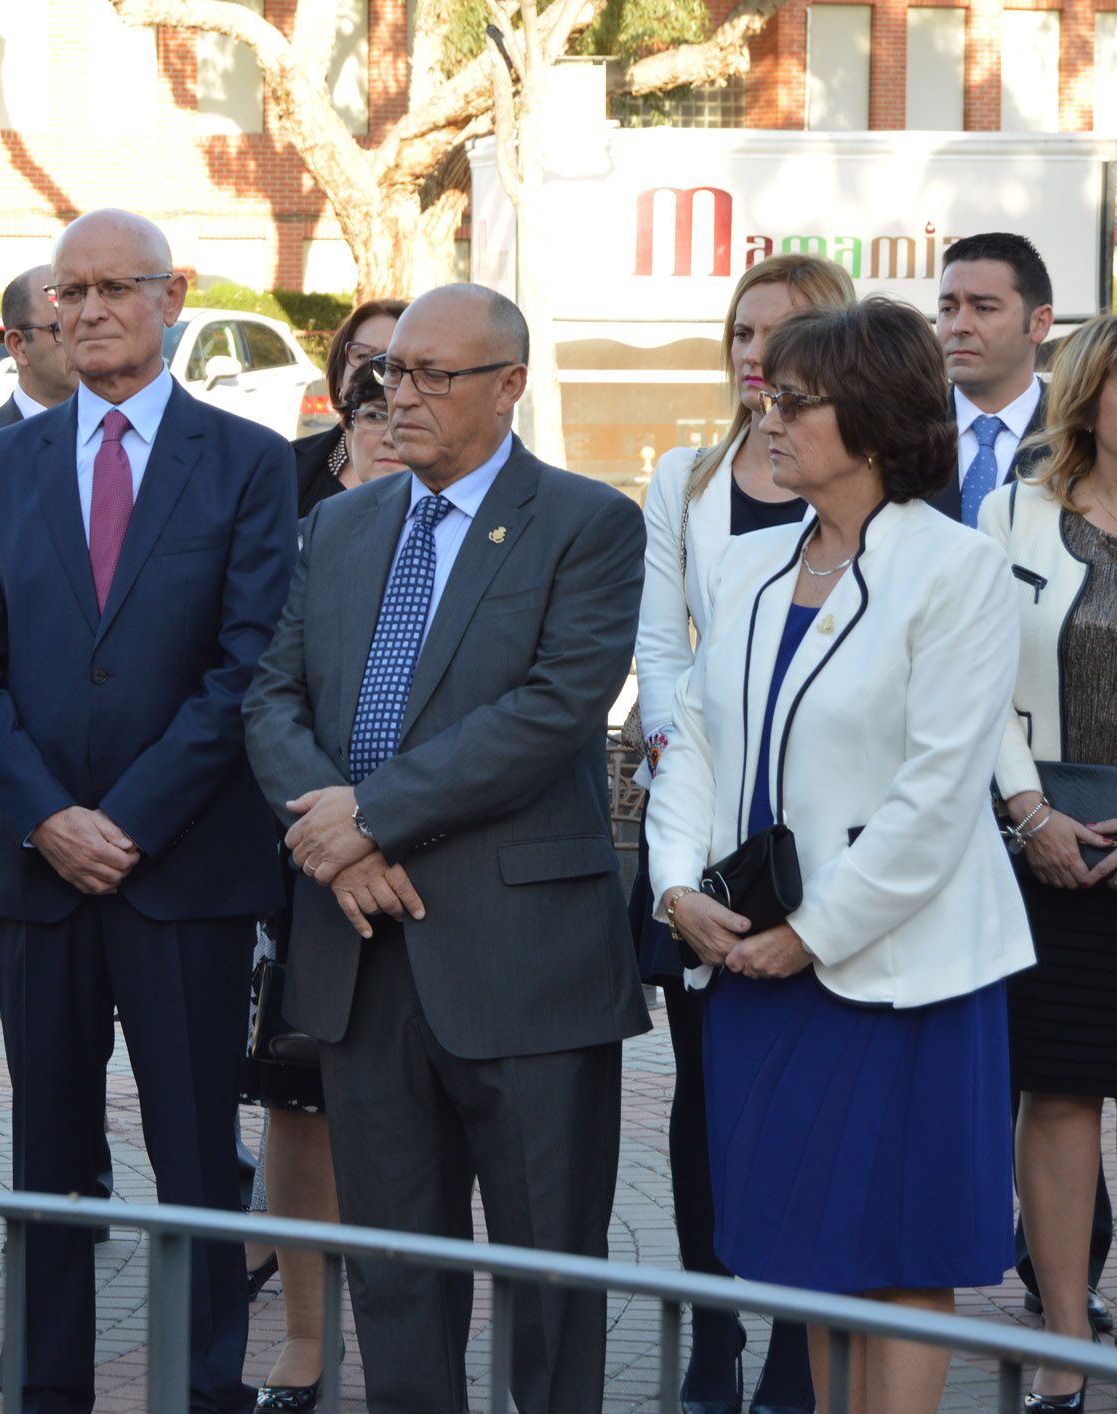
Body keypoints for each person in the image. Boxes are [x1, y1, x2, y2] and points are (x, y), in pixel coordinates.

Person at [244, 283, 646, 1414]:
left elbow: (552, 708)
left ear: (508, 383)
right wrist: (337, 837)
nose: (396, 396)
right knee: (394, 1277)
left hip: (524, 967)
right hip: (361, 960)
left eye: (430, 375)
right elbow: (270, 700)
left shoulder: (589, 523)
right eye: (386, 374)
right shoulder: (336, 523)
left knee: (548, 1276)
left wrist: (366, 817)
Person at [647, 298, 1032, 1414]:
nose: (764, 415)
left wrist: (806, 935)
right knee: (806, 1257)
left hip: (896, 976)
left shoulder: (955, 570)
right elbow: (694, 743)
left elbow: (937, 795)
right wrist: (674, 884)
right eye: (764, 393)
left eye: (794, 399)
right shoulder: (746, 567)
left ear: (868, 421)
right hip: (756, 971)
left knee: (899, 1255)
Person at [0, 208, 297, 1412]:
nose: (87, 310)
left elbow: (248, 666)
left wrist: (128, 820)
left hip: (186, 873)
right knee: (45, 1162)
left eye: (112, 288)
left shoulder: (247, 460)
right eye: (69, 292)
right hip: (36, 874)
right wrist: (50, 817)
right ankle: (43, 1392)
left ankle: (205, 1388)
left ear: (170, 294)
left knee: (197, 1155)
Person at [632, 252, 854, 1414]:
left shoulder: (868, 484)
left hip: (823, 847)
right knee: (703, 1098)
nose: (753, 357)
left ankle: (791, 1349)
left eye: (780, 335)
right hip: (704, 835)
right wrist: (684, 758)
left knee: (807, 1094)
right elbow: (661, 650)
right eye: (737, 334)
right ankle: (710, 1327)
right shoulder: (683, 476)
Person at [238, 354, 411, 1410]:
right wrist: (328, 836)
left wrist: (384, 830)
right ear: (342, 427)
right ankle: (303, 1339)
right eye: (372, 407)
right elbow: (266, 696)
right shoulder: (298, 531)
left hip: (431, 872)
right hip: (308, 868)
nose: (395, 423)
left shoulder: (478, 530)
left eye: (415, 402)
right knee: (298, 1112)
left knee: (418, 1126)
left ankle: (403, 1346)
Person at [979, 310, 1117, 1411]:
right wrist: (1028, 813)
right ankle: (1064, 1346)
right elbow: (972, 687)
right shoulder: (1007, 512)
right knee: (1060, 1093)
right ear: (1089, 395)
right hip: (1047, 850)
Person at [935, 232, 1055, 526]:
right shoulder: (899, 427)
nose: (959, 326)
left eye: (984, 308)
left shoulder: (1079, 432)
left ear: (1039, 323)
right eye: (948, 309)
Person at [289, 297, 409, 515]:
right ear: (338, 381)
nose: (377, 370)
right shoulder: (288, 467)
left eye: (394, 360)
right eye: (363, 356)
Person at [0, 264, 78, 434]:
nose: (84, 341)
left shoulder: (117, 435)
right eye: (60, 330)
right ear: (18, 346)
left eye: (86, 326)